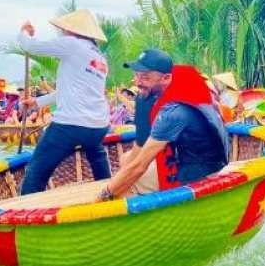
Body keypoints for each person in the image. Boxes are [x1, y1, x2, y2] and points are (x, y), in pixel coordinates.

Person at [96, 51, 229, 200]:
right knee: (126, 159)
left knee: (126, 185)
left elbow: (139, 166)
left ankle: (151, 217)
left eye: (145, 77)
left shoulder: (174, 111)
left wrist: (104, 195)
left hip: (200, 172)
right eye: (137, 75)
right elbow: (139, 148)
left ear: (166, 78)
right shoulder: (185, 88)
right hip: (197, 159)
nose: (138, 82)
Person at [17, 9, 111, 195]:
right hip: (98, 126)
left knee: (36, 171)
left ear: (72, 31)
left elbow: (30, 47)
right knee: (97, 158)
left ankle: (25, 210)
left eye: (64, 30)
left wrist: (24, 32)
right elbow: (69, 91)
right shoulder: (99, 58)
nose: (63, 33)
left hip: (70, 126)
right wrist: (37, 102)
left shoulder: (73, 44)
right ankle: (110, 192)